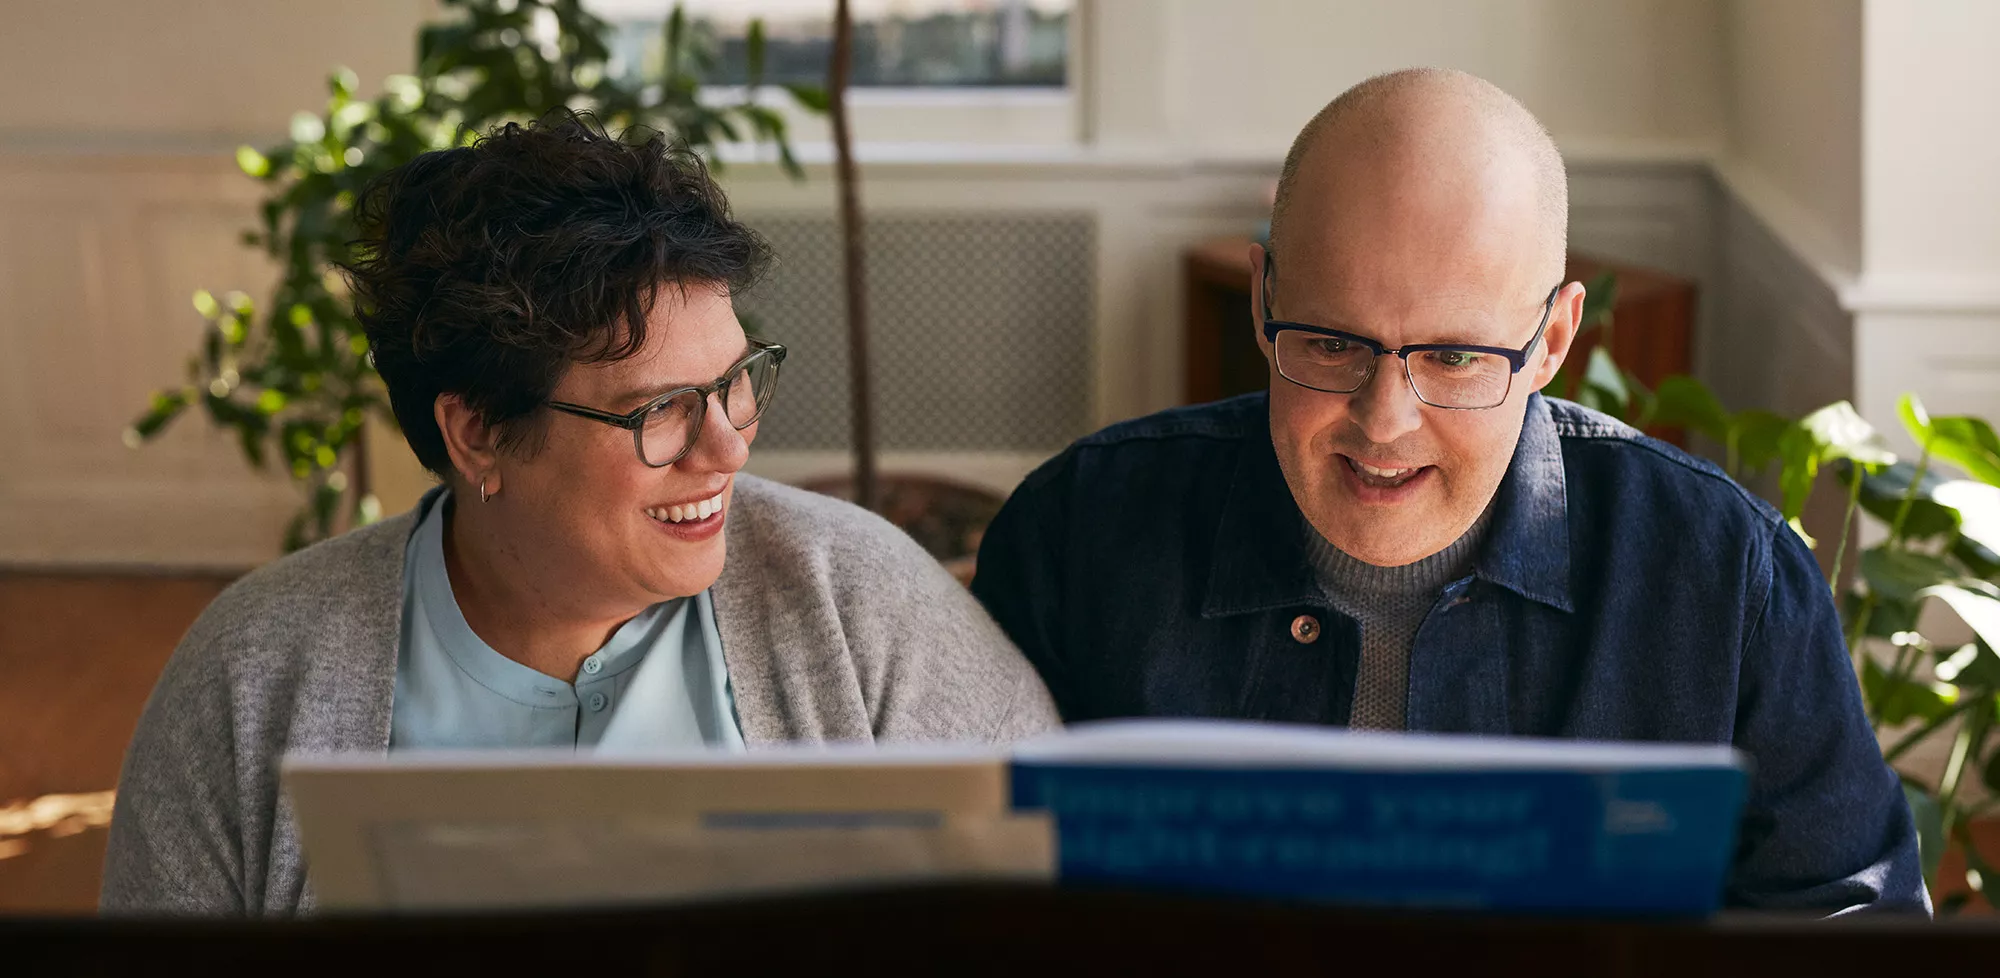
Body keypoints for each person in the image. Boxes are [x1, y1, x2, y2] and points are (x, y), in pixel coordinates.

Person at [971, 69, 1926, 914]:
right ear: (1263, 304)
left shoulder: (1728, 580)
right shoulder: (1075, 535)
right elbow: (969, 900)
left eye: (1458, 356)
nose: (1383, 421)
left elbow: (1848, 926)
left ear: (1553, 340)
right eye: (1333, 343)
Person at [102, 111, 1057, 915]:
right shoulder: (254, 677)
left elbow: (1069, 913)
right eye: (660, 408)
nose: (729, 445)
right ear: (476, 432)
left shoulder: (862, 608)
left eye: (735, 382)